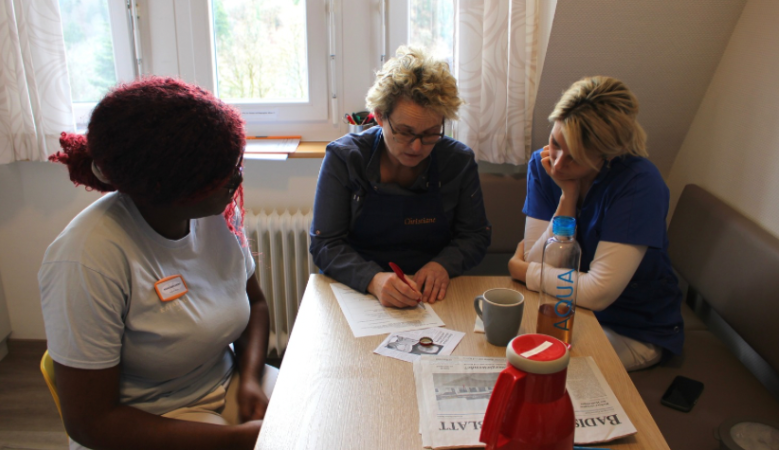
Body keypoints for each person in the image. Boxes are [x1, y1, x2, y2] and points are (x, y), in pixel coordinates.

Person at [39, 77, 277, 450]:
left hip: (229, 383)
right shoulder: (87, 259)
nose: (237, 178)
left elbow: (256, 304)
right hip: (149, 421)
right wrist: (235, 440)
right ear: (166, 187)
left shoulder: (217, 214)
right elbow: (90, 423)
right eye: (220, 174)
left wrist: (249, 378)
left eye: (234, 164)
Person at [508, 76, 683, 371]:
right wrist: (568, 196)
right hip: (566, 308)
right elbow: (538, 259)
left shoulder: (639, 184)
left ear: (608, 155)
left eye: (576, 157)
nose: (558, 164)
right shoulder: (544, 164)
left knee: (543, 370)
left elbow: (597, 292)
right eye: (555, 143)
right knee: (506, 351)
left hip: (631, 327)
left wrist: (524, 272)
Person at [310, 46, 491, 308]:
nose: (417, 147)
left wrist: (443, 265)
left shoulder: (458, 162)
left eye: (430, 133)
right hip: (358, 292)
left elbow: (475, 236)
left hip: (430, 294)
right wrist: (372, 279)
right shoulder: (345, 159)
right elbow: (325, 244)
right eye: (405, 132)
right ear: (380, 116)